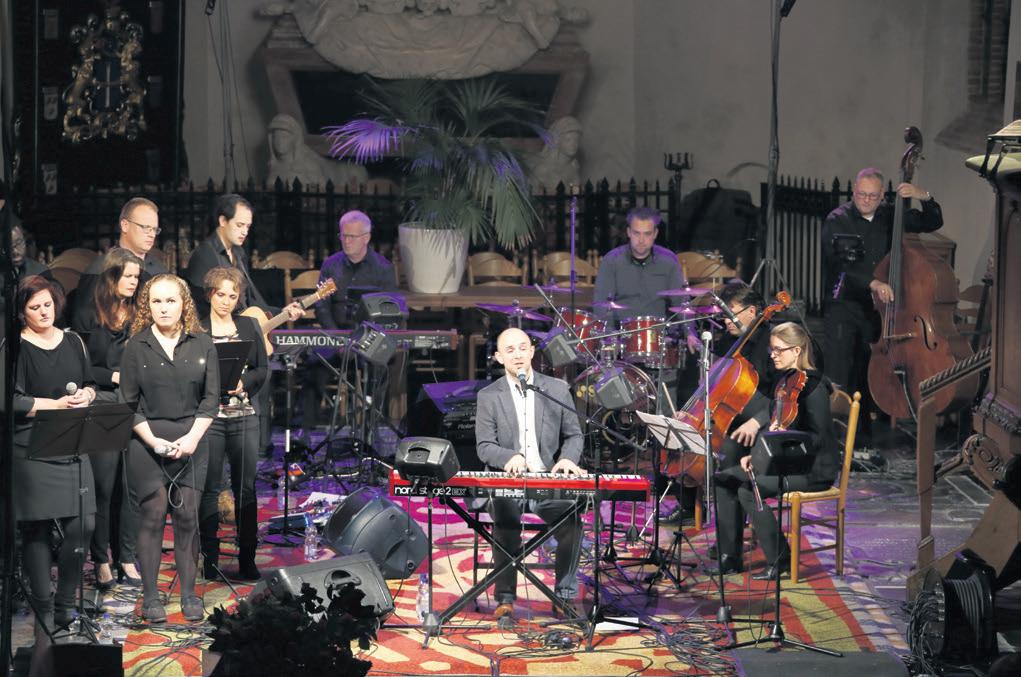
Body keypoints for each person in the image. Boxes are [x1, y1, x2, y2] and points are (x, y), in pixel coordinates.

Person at [10, 276, 99, 671]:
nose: (44, 312)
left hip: (71, 441)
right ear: (21, 313)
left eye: (48, 304)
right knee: (38, 530)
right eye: (35, 307)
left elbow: (91, 383)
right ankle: (45, 608)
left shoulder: (74, 341)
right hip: (30, 446)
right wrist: (55, 404)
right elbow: (11, 400)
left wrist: (85, 396)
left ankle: (65, 603)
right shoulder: (15, 347)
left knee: (84, 523)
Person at [119, 274, 219, 623]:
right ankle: (150, 597)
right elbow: (128, 404)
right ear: (148, 306)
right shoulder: (136, 346)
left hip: (192, 438)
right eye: (157, 301)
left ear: (184, 304)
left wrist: (191, 439)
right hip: (148, 441)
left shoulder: (202, 343)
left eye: (171, 301)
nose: (163, 308)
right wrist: (153, 441)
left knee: (188, 517)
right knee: (153, 514)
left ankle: (189, 594)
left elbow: (211, 400)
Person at [820, 167, 941, 445]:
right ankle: (831, 439)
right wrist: (873, 283)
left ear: (882, 195)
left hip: (879, 311)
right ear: (853, 192)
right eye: (861, 194)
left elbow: (932, 222)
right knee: (840, 372)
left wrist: (923, 195)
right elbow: (840, 264)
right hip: (844, 305)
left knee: (866, 371)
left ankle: (861, 439)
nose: (866, 200)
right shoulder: (837, 219)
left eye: (873, 196)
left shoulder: (890, 215)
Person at [475, 327, 586, 621]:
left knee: (572, 521)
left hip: (546, 481)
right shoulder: (488, 396)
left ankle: (563, 596)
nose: (518, 355)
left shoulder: (557, 389)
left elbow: (574, 435)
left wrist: (566, 460)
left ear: (532, 352)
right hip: (508, 482)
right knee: (505, 515)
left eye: (523, 348)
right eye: (510, 350)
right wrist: (508, 457)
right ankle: (505, 598)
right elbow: (484, 446)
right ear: (499, 357)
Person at [713, 322, 840, 580]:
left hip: (813, 471)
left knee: (750, 489)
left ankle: (780, 559)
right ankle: (730, 557)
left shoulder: (814, 388)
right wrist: (758, 456)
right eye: (772, 349)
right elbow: (776, 431)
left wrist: (780, 446)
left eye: (779, 350)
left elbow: (816, 439)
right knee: (724, 480)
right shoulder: (785, 382)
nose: (773, 355)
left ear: (797, 350)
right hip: (787, 463)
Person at [184, 194, 301, 457]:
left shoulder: (237, 253)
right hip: (214, 336)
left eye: (248, 226)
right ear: (222, 221)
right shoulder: (205, 255)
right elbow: (210, 304)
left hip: (239, 329)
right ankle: (241, 450)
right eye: (239, 225)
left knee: (263, 371)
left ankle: (257, 450)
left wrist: (281, 312)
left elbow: (251, 299)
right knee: (256, 373)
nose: (244, 231)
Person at [72, 249, 144, 589]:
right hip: (102, 401)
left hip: (134, 403)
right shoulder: (88, 313)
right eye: (128, 276)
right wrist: (114, 376)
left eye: (136, 277)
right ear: (112, 276)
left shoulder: (137, 314)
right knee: (104, 486)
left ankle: (126, 556)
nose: (133, 282)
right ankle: (101, 559)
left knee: (130, 487)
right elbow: (81, 368)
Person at [197, 267, 268, 582]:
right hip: (211, 419)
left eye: (232, 295)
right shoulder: (197, 328)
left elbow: (262, 369)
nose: (226, 301)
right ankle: (210, 559)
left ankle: (247, 559)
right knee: (210, 489)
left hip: (244, 417)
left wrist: (244, 383)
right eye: (220, 294)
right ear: (210, 294)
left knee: (246, 489)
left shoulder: (248, 325)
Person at [303, 210, 396, 436]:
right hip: (335, 333)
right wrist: (336, 338)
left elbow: (388, 311)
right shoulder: (331, 265)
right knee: (313, 363)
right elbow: (321, 305)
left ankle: (370, 427)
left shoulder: (383, 268)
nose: (346, 241)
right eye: (343, 235)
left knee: (382, 364)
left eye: (351, 236)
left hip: (366, 336)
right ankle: (305, 432)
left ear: (366, 238)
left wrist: (359, 340)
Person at [73, 197, 168, 328]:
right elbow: (83, 324)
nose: (152, 234)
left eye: (154, 229)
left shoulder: (159, 269)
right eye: (146, 228)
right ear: (125, 225)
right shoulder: (100, 269)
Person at [592, 206, 691, 325]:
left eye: (647, 234)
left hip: (658, 331)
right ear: (628, 232)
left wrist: (690, 332)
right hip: (621, 332)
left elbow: (681, 304)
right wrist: (609, 335)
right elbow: (601, 305)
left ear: (655, 234)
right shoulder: (611, 260)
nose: (641, 240)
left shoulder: (668, 260)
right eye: (636, 233)